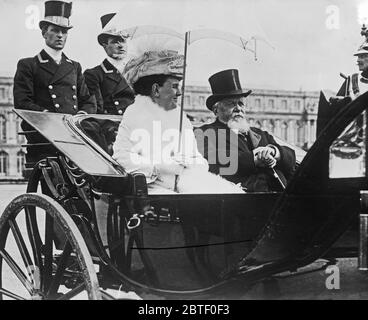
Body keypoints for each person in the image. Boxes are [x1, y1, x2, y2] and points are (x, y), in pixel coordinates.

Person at [112, 51, 243, 194]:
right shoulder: (135, 113)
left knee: (229, 196)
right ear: (156, 89)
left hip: (185, 183)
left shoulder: (179, 116)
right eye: (174, 86)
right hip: (152, 188)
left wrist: (192, 164)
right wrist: (159, 166)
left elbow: (198, 158)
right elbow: (121, 157)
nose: (179, 92)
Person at [13, 0, 96, 163]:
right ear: (44, 32)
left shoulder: (74, 66)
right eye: (55, 30)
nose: (60, 35)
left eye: (64, 32)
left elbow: (87, 100)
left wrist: (80, 116)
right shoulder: (29, 65)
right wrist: (51, 118)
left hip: (74, 136)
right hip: (45, 138)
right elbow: (23, 102)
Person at [195, 69, 296, 192]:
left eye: (241, 104)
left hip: (277, 198)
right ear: (216, 110)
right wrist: (255, 158)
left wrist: (274, 152)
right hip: (240, 202)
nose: (238, 108)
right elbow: (212, 161)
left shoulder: (260, 134)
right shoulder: (205, 133)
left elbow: (291, 159)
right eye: (231, 104)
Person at [84, 13, 135, 115]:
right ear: (105, 45)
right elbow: (97, 111)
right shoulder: (94, 75)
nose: (121, 46)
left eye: (123, 41)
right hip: (112, 126)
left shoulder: (137, 70)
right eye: (116, 41)